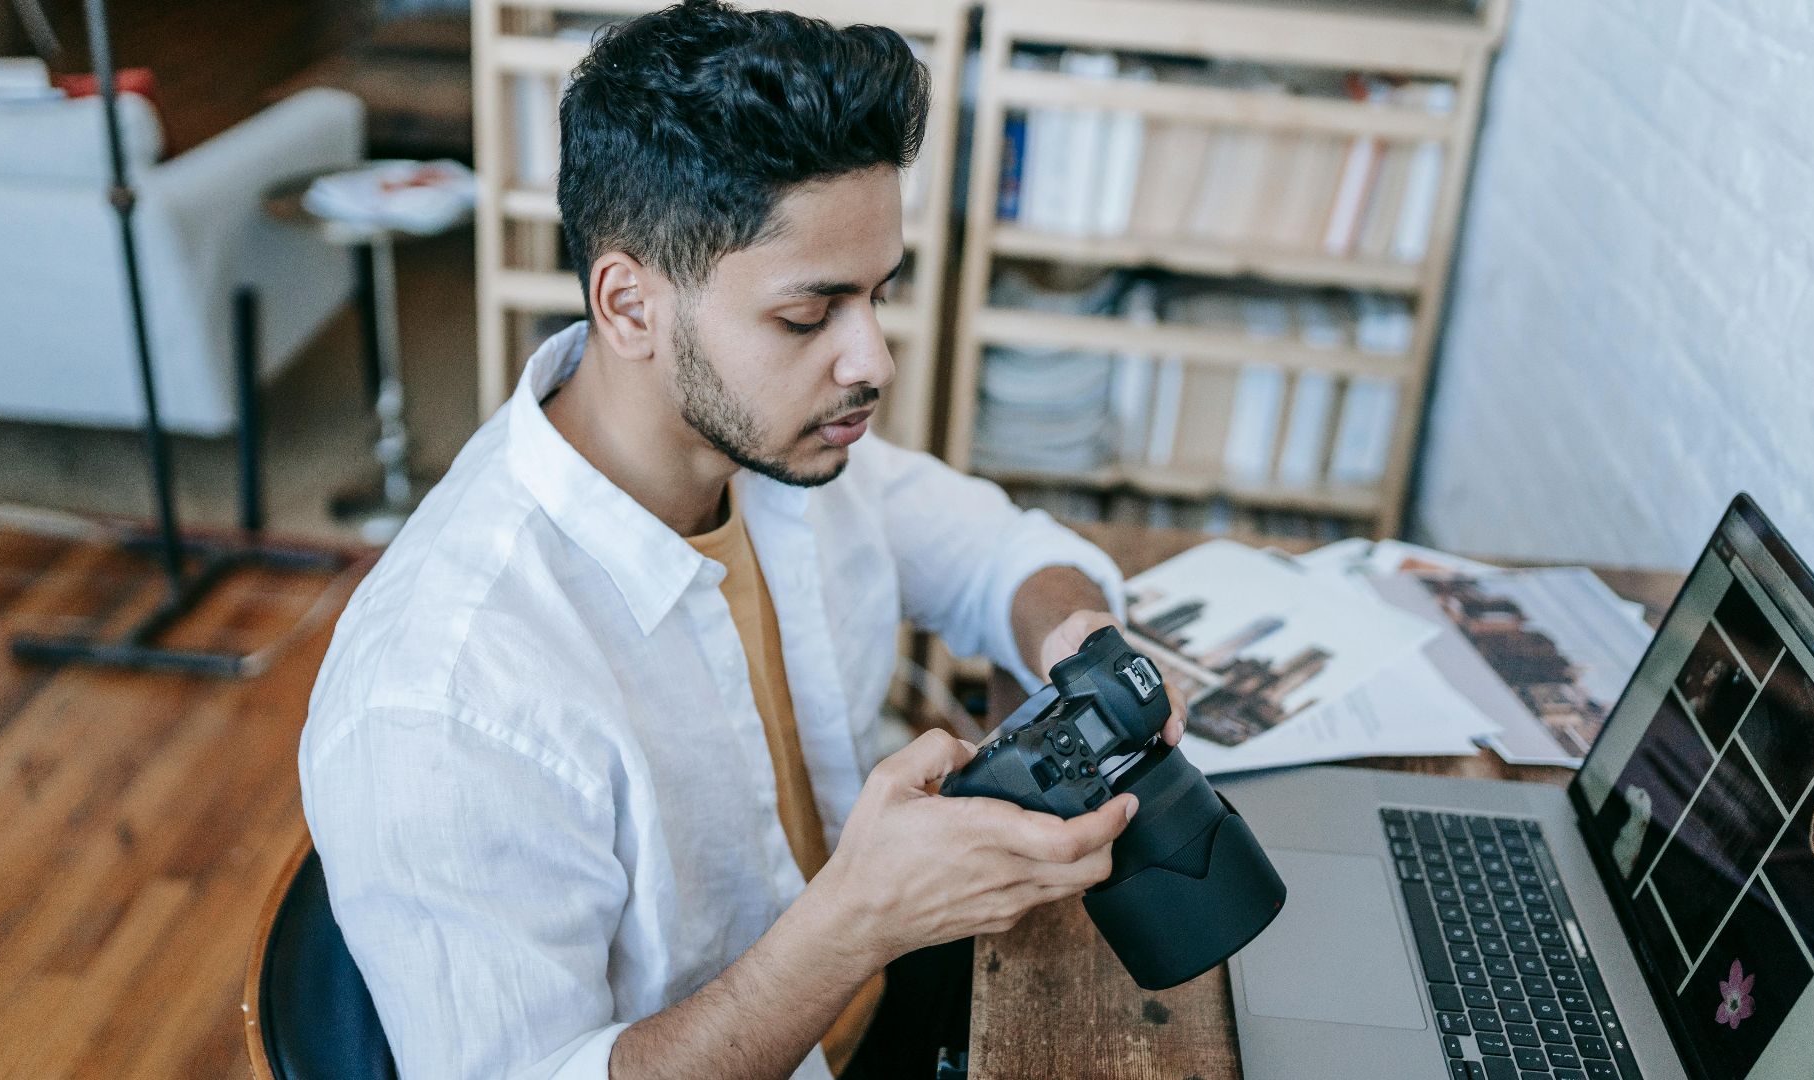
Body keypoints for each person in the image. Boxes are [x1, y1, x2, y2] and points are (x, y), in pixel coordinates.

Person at [299, 3, 1182, 1077]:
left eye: (879, 296)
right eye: (810, 318)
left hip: (896, 985)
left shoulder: (777, 448)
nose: (873, 362)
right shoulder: (445, 695)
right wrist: (858, 922)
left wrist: (1079, 640)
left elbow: (994, 552)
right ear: (629, 306)